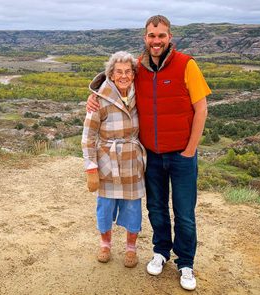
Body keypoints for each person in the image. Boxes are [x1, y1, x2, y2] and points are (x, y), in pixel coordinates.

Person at [86, 15, 211, 290]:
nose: (156, 41)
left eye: (161, 36)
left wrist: (190, 150)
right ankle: (161, 252)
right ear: (145, 38)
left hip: (182, 155)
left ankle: (186, 263)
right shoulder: (139, 69)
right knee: (156, 207)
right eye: (152, 36)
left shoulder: (187, 64)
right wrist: (93, 95)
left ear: (169, 38)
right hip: (152, 155)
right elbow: (115, 81)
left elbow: (201, 109)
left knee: (184, 212)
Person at [82, 51, 146, 268]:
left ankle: (131, 248)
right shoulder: (99, 99)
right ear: (111, 74)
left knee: (133, 207)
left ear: (134, 74)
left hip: (132, 161)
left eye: (128, 71)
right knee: (105, 207)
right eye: (119, 72)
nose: (124, 76)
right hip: (107, 161)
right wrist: (90, 167)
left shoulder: (142, 93)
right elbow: (88, 136)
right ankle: (105, 244)